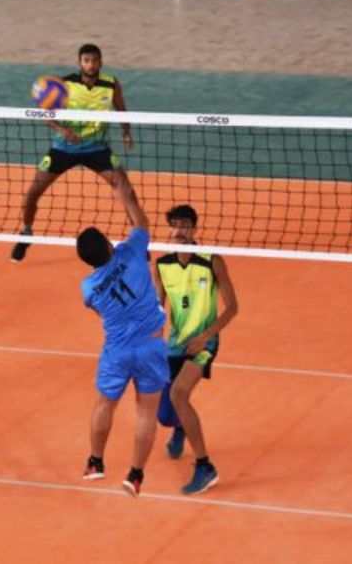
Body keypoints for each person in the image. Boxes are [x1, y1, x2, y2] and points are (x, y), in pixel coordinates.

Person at [78, 181, 167, 498]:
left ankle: (95, 462)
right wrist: (125, 196)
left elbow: (100, 313)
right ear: (107, 243)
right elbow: (141, 222)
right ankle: (136, 475)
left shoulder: (88, 289)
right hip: (151, 346)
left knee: (105, 404)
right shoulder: (131, 251)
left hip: (117, 351)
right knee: (146, 412)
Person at [11, 44, 135, 262]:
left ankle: (137, 242)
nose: (91, 65)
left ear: (100, 62)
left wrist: (126, 132)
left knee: (127, 191)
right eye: (86, 61)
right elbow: (46, 113)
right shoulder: (65, 84)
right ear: (80, 63)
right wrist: (62, 130)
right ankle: (27, 233)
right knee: (31, 195)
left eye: (94, 60)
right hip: (64, 148)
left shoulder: (111, 84)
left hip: (97, 148)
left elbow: (121, 109)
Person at [152, 205, 238, 496]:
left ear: (194, 228)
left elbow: (233, 308)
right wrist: (152, 340)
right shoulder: (162, 265)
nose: (180, 230)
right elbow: (159, 307)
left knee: (178, 394)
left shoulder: (212, 261)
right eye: (175, 225)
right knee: (165, 413)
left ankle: (205, 467)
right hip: (175, 344)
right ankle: (179, 427)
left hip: (204, 342)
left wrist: (205, 337)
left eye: (185, 225)